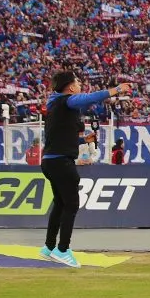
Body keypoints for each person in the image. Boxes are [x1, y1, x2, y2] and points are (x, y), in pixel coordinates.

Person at [41, 71, 131, 268]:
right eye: (77, 82)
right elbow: (88, 98)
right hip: (62, 162)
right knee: (71, 204)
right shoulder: (66, 100)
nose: (80, 85)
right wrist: (116, 90)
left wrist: (82, 140)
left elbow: (61, 136)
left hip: (50, 161)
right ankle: (62, 250)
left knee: (60, 203)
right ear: (71, 87)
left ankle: (49, 247)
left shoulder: (54, 105)